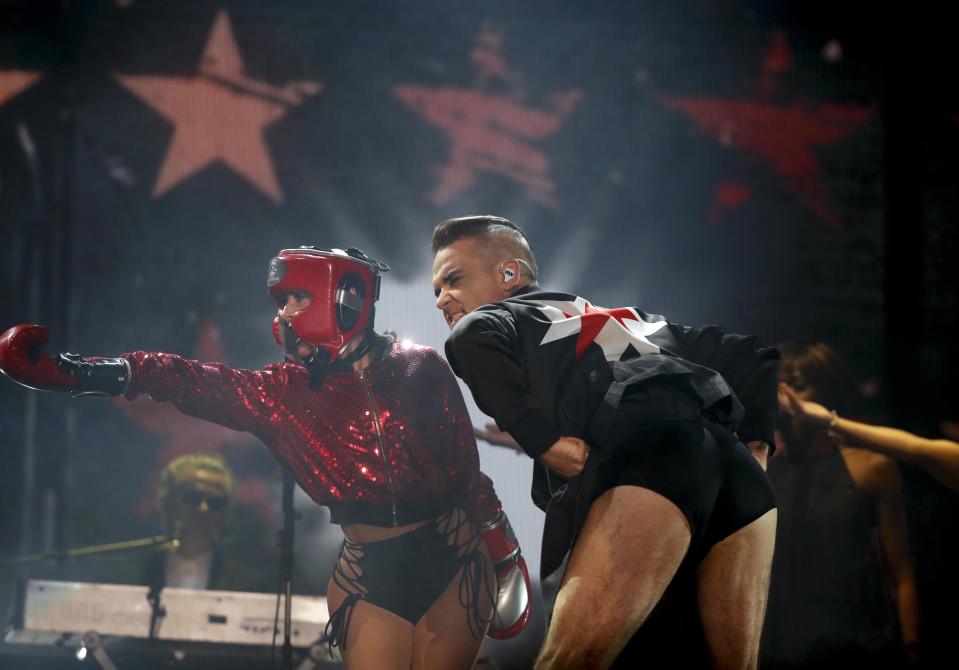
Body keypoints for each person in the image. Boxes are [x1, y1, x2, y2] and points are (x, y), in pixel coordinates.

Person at [0, 246, 531, 670]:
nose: (284, 313)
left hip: (454, 555)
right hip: (370, 571)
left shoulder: (423, 367)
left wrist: (503, 552)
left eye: (297, 298)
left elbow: (466, 473)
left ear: (342, 299)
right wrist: (78, 373)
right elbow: (178, 377)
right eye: (283, 301)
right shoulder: (278, 392)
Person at [431, 215, 779, 669]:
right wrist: (757, 449)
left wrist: (546, 443)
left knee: (567, 662)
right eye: (436, 291)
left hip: (654, 463)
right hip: (739, 479)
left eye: (453, 280)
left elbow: (469, 339)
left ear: (509, 274)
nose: (442, 300)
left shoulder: (500, 318)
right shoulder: (638, 322)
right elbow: (756, 355)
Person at [764, 342, 920, 668]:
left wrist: (912, 649)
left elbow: (901, 574)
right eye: (778, 386)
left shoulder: (871, 467)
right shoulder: (760, 474)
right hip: (777, 648)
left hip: (857, 644)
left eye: (798, 385)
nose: (785, 397)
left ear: (827, 392)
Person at [780, 379, 959, 493]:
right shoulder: (773, 465)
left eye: (798, 385)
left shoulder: (872, 467)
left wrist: (831, 421)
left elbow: (919, 450)